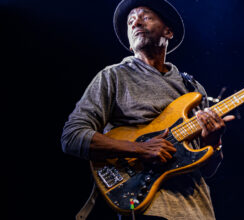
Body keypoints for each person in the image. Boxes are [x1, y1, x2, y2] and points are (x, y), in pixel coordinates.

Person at [61, 0, 234, 219]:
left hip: (197, 211)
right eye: (130, 21)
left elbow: (206, 170)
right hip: (147, 208)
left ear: (168, 31)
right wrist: (139, 149)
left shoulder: (193, 88)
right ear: (130, 44)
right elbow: (72, 137)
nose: (135, 23)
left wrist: (213, 141)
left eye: (145, 16)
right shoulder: (113, 76)